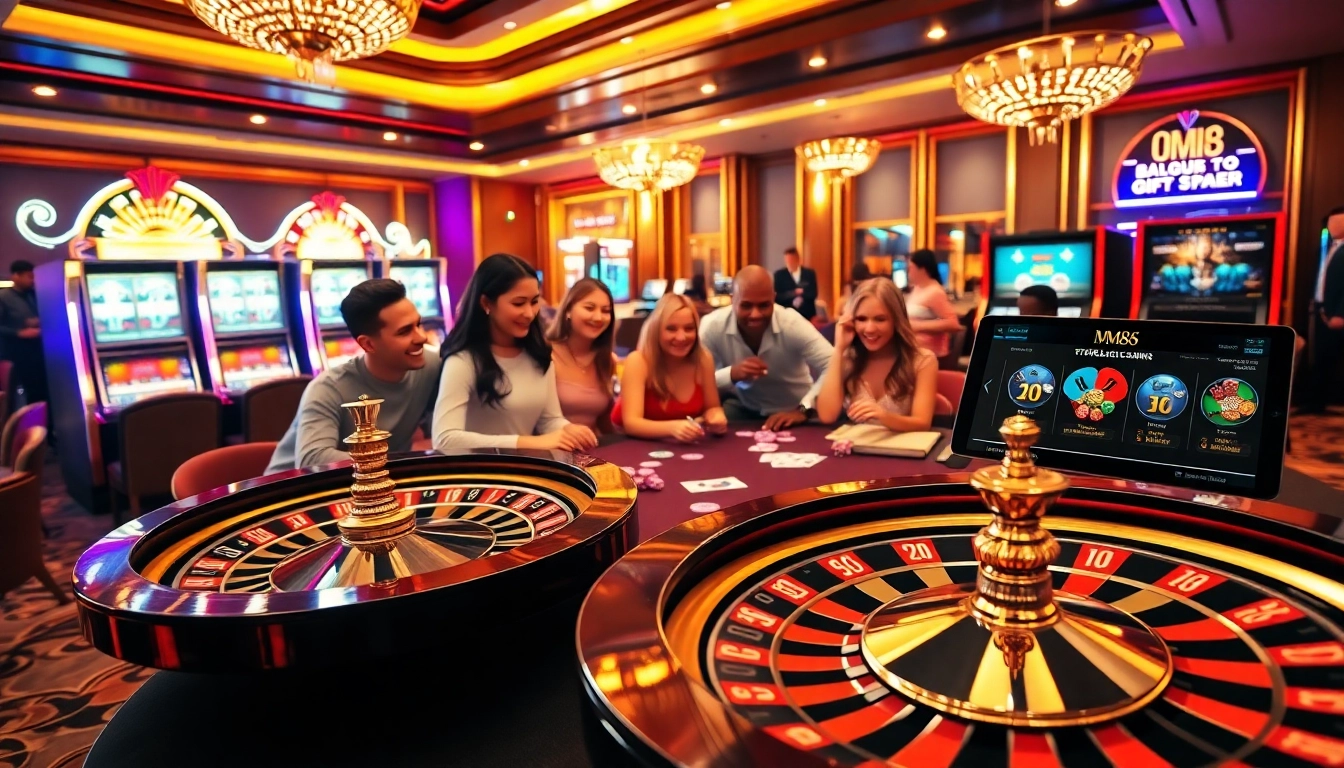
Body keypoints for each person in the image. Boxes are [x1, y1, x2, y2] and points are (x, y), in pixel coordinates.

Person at [266, 279, 440, 473]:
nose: (422, 337)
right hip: (292, 491)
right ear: (368, 345)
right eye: (405, 331)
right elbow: (312, 459)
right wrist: (400, 464)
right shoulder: (328, 388)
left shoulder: (431, 365)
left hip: (372, 484)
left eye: (419, 324)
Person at [434, 254, 598, 452]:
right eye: (519, 303)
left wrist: (568, 430)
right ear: (486, 303)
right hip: (476, 477)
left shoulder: (538, 354)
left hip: (522, 474)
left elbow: (549, 420)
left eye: (534, 301)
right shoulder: (463, 360)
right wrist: (526, 442)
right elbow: (445, 439)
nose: (529, 313)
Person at [700, 265, 833, 430]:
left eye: (763, 305)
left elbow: (834, 364)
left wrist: (804, 409)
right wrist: (731, 374)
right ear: (733, 299)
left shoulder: (792, 324)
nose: (755, 314)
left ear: (774, 298)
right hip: (743, 408)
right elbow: (695, 379)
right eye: (746, 306)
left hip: (793, 411)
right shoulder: (712, 326)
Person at [817, 278, 938, 432]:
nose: (869, 328)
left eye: (880, 319)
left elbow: (922, 423)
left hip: (903, 452)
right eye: (861, 319)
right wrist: (839, 348)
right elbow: (827, 416)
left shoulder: (922, 360)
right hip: (857, 450)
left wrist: (884, 416)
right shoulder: (848, 359)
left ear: (896, 320)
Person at [612, 293, 728, 442]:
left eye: (689, 328)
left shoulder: (703, 359)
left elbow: (712, 407)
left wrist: (716, 417)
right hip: (629, 445)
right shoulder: (638, 361)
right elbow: (631, 424)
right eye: (671, 329)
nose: (681, 337)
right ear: (657, 330)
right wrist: (673, 428)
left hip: (677, 448)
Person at [547, 277, 617, 433]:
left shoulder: (607, 360)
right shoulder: (546, 353)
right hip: (551, 451)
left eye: (606, 311)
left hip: (592, 449)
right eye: (589, 308)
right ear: (568, 310)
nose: (598, 317)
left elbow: (605, 423)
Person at [1303, 206, 1344, 413]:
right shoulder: (1328, 247)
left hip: (1338, 313)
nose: (1333, 226)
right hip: (1320, 311)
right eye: (1331, 222)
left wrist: (1340, 313)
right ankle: (1316, 403)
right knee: (1320, 358)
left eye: (1338, 221)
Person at [0, 260, 48, 412]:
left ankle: (44, 429)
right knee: (17, 396)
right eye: (29, 277)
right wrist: (19, 333)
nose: (32, 280)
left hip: (40, 353)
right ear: (15, 276)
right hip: (16, 354)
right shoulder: (3, 297)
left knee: (40, 393)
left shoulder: (35, 294)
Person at [903, 249, 962, 359]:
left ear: (922, 269)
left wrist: (917, 326)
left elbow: (953, 324)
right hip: (913, 352)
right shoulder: (917, 289)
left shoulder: (935, 292)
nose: (908, 272)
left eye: (911, 268)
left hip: (929, 356)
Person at [774, 246, 818, 320]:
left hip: (807, 315)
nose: (789, 263)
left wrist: (802, 294)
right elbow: (777, 297)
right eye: (787, 260)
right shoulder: (779, 275)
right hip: (786, 315)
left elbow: (813, 293)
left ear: (797, 259)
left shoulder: (809, 274)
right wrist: (793, 293)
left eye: (791, 260)